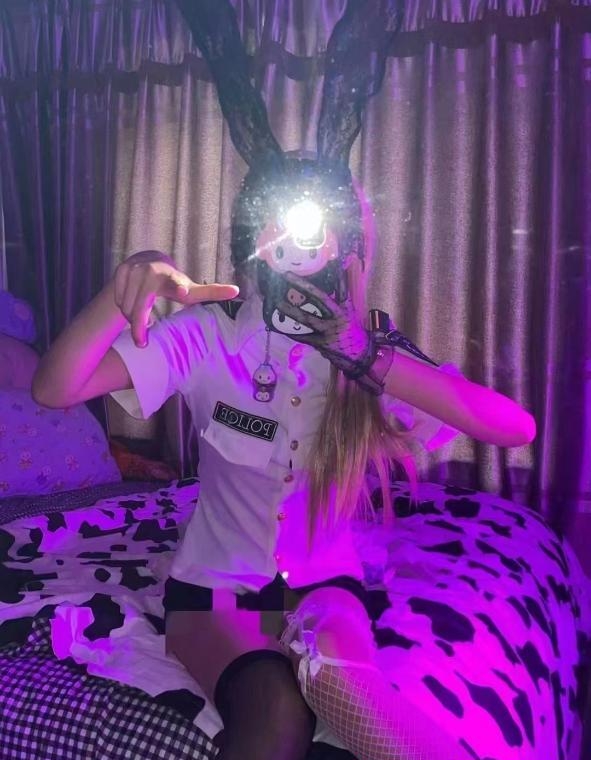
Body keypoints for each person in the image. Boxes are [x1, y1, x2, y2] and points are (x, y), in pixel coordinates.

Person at [32, 4, 536, 760]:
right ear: (256, 235)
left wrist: (365, 356)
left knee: (345, 686)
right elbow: (54, 389)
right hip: (212, 591)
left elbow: (512, 427)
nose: (302, 244)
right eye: (284, 222)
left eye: (321, 226)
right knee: (273, 708)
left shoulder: (371, 352)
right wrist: (123, 285)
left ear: (346, 243)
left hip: (327, 585)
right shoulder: (208, 335)